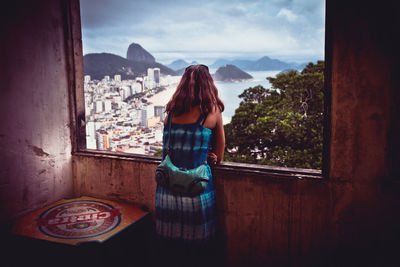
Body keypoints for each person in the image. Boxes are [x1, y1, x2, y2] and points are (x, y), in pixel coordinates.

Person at [154, 64, 225, 267]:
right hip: (196, 186)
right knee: (198, 244)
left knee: (171, 242)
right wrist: (212, 156)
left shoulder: (171, 111)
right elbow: (220, 150)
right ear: (208, 84)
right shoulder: (212, 111)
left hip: (167, 187)